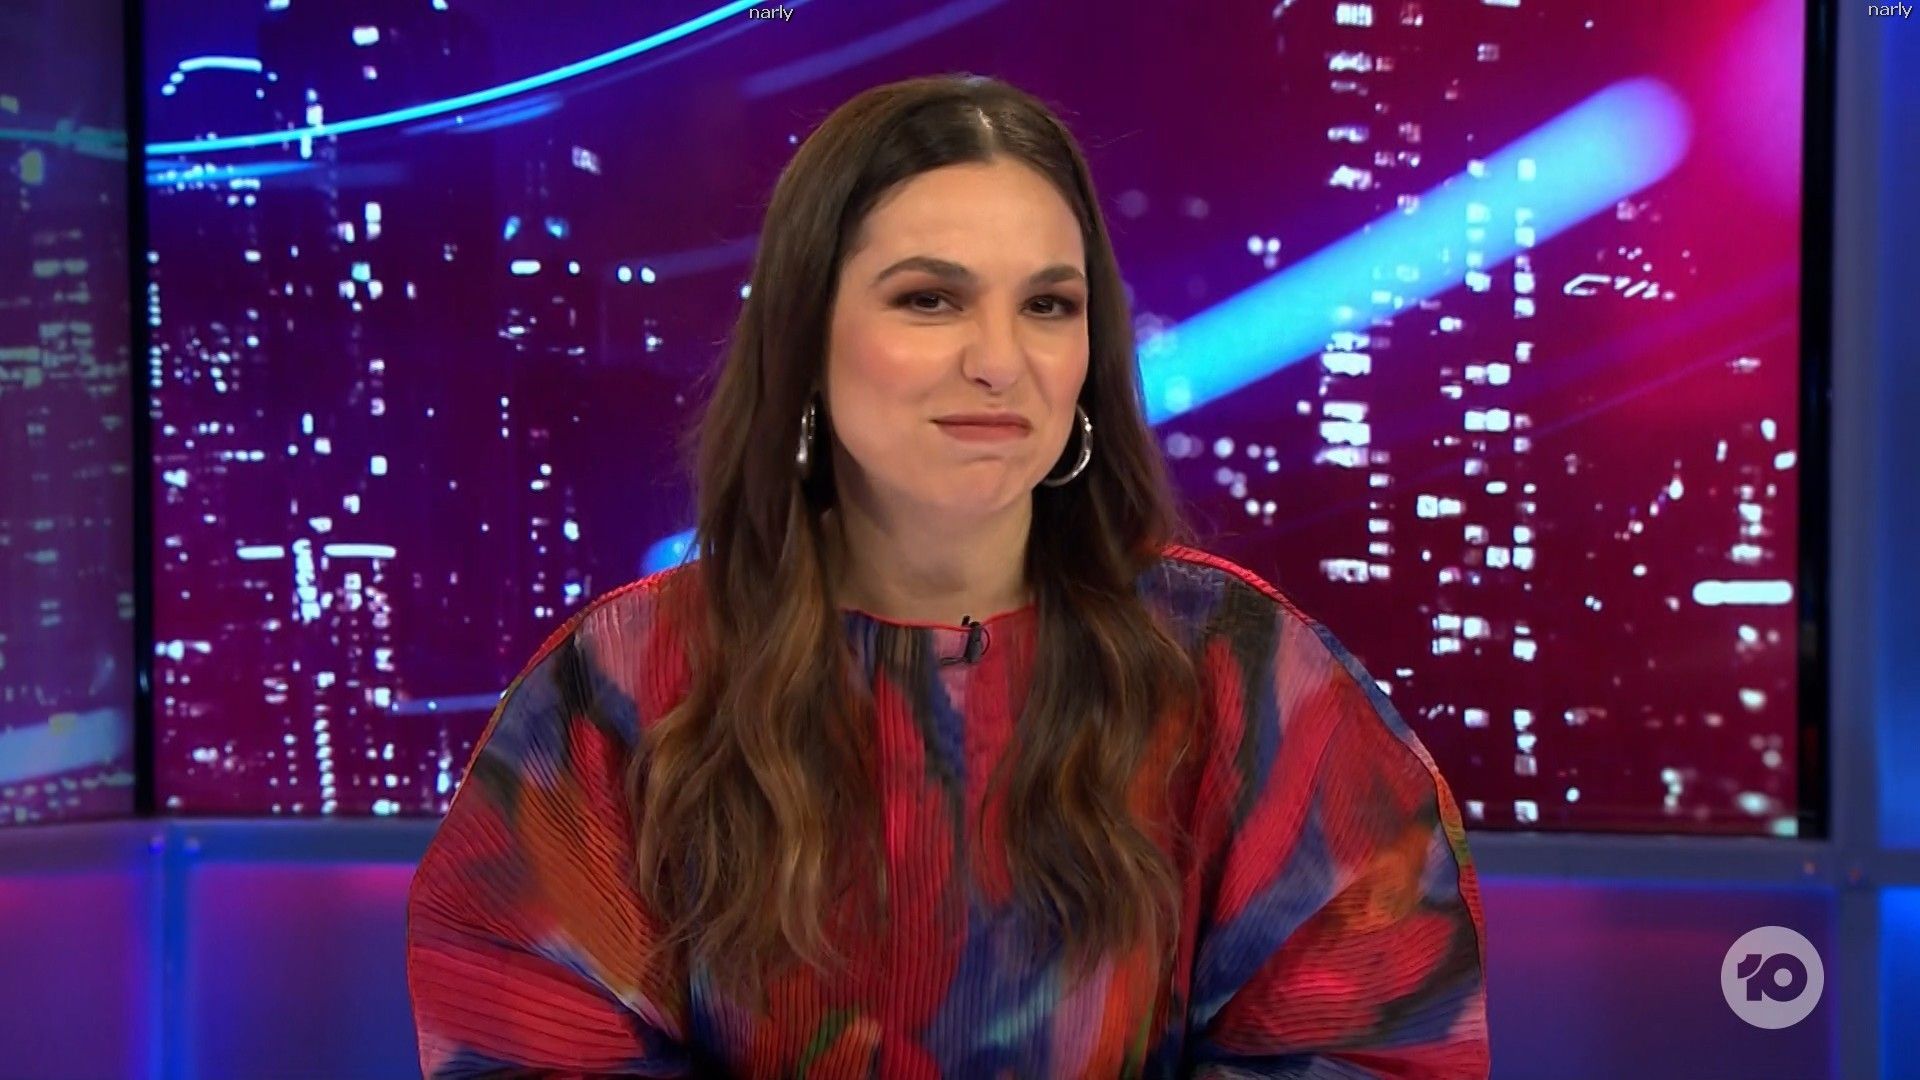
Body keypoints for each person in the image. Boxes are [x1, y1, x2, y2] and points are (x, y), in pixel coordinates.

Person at [406, 73, 1489, 1079]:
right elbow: (524, 1037)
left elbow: (1368, 1037)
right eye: (930, 300)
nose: (999, 361)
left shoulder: (1236, 674)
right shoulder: (624, 688)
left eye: (1048, 306)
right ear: (805, 336)